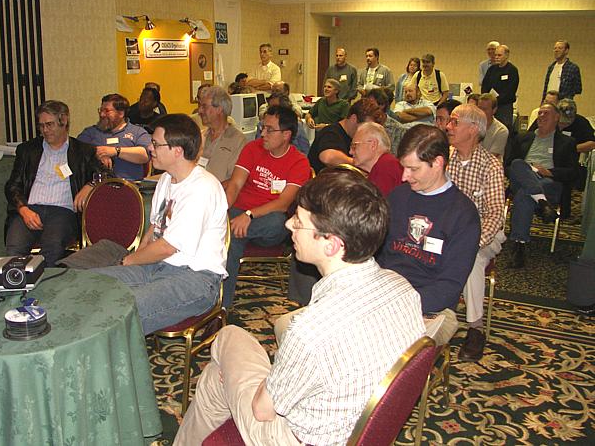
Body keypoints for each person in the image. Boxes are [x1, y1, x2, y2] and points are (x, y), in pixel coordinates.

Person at [174, 169, 426, 446]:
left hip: (294, 438)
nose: (288, 225)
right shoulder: (402, 289)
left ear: (331, 244)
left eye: (299, 221)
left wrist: (255, 381)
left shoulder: (311, 329)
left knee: (227, 337)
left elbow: (263, 410)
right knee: (216, 379)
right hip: (356, 424)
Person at [92, 114, 228, 335]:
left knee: (121, 310)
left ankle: (110, 355)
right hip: (156, 265)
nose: (150, 148)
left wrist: (129, 261)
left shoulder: (202, 188)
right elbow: (154, 228)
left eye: (156, 144)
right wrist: (135, 260)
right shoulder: (166, 179)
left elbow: (167, 247)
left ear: (177, 151)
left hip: (195, 277)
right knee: (94, 285)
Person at [377, 124, 480, 346]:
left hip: (432, 308)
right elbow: (378, 254)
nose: (404, 176)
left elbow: (449, 286)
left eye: (413, 169)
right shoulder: (398, 197)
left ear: (438, 163)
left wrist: (399, 304)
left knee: (387, 343)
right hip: (385, 294)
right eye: (404, 167)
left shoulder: (463, 214)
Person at [223, 105, 311, 308]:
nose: (263, 133)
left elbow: (283, 203)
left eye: (270, 129)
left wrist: (249, 215)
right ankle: (223, 305)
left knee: (278, 222)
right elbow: (235, 184)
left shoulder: (299, 162)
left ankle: (219, 304)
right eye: (263, 127)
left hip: (269, 222)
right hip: (238, 213)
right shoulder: (252, 148)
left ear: (286, 135)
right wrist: (221, 211)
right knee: (232, 239)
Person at [5, 100, 101, 267]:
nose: (45, 130)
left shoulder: (83, 151)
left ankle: (46, 283)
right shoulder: (27, 150)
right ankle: (19, 283)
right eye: (41, 126)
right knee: (14, 248)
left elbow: (107, 175)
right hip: (29, 209)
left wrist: (90, 185)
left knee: (52, 248)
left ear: (64, 121)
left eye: (49, 124)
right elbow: (12, 186)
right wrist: (23, 209)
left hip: (62, 212)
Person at [446, 104, 506, 361]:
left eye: (454, 122)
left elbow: (495, 213)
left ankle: (475, 329)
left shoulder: (491, 165)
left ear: (473, 129)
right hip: (448, 230)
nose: (448, 127)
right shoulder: (444, 159)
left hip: (483, 233)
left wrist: (473, 241)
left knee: (471, 260)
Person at [506, 103, 578, 268]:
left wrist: (549, 172)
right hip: (523, 177)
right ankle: (542, 202)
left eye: (546, 113)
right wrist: (529, 170)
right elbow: (508, 166)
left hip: (548, 182)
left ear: (557, 117)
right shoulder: (523, 137)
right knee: (518, 163)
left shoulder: (567, 142)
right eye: (540, 113)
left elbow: (573, 173)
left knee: (524, 195)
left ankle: (519, 246)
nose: (541, 116)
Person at [77, 93, 151, 180]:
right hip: (98, 185)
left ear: (121, 113)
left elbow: (144, 155)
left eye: (107, 111)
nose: (102, 114)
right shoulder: (91, 132)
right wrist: (97, 155)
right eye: (100, 110)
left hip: (130, 185)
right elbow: (76, 152)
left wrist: (115, 151)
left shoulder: (137, 132)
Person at [307, 99, 383, 175]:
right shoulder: (330, 133)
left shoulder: (356, 136)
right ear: (354, 118)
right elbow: (327, 157)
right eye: (366, 126)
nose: (368, 131)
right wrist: (360, 164)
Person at [197, 85, 247, 183]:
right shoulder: (201, 136)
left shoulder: (238, 141)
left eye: (204, 106)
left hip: (218, 190)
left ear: (219, 109)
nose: (200, 111)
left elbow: (234, 181)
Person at [351, 122, 403, 196]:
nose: (350, 152)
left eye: (354, 146)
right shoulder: (382, 166)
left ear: (373, 145)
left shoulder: (385, 168)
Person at [481, 44, 519, 130]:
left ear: (506, 55)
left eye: (499, 55)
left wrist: (496, 100)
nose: (496, 57)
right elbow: (485, 85)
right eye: (495, 55)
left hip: (504, 107)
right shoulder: (492, 69)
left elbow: (510, 91)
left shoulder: (512, 70)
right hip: (490, 105)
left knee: (503, 129)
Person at [477, 93, 509, 159]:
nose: (481, 112)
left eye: (485, 109)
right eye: (479, 108)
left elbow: (491, 157)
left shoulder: (501, 130)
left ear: (494, 110)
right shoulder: (471, 125)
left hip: (489, 163)